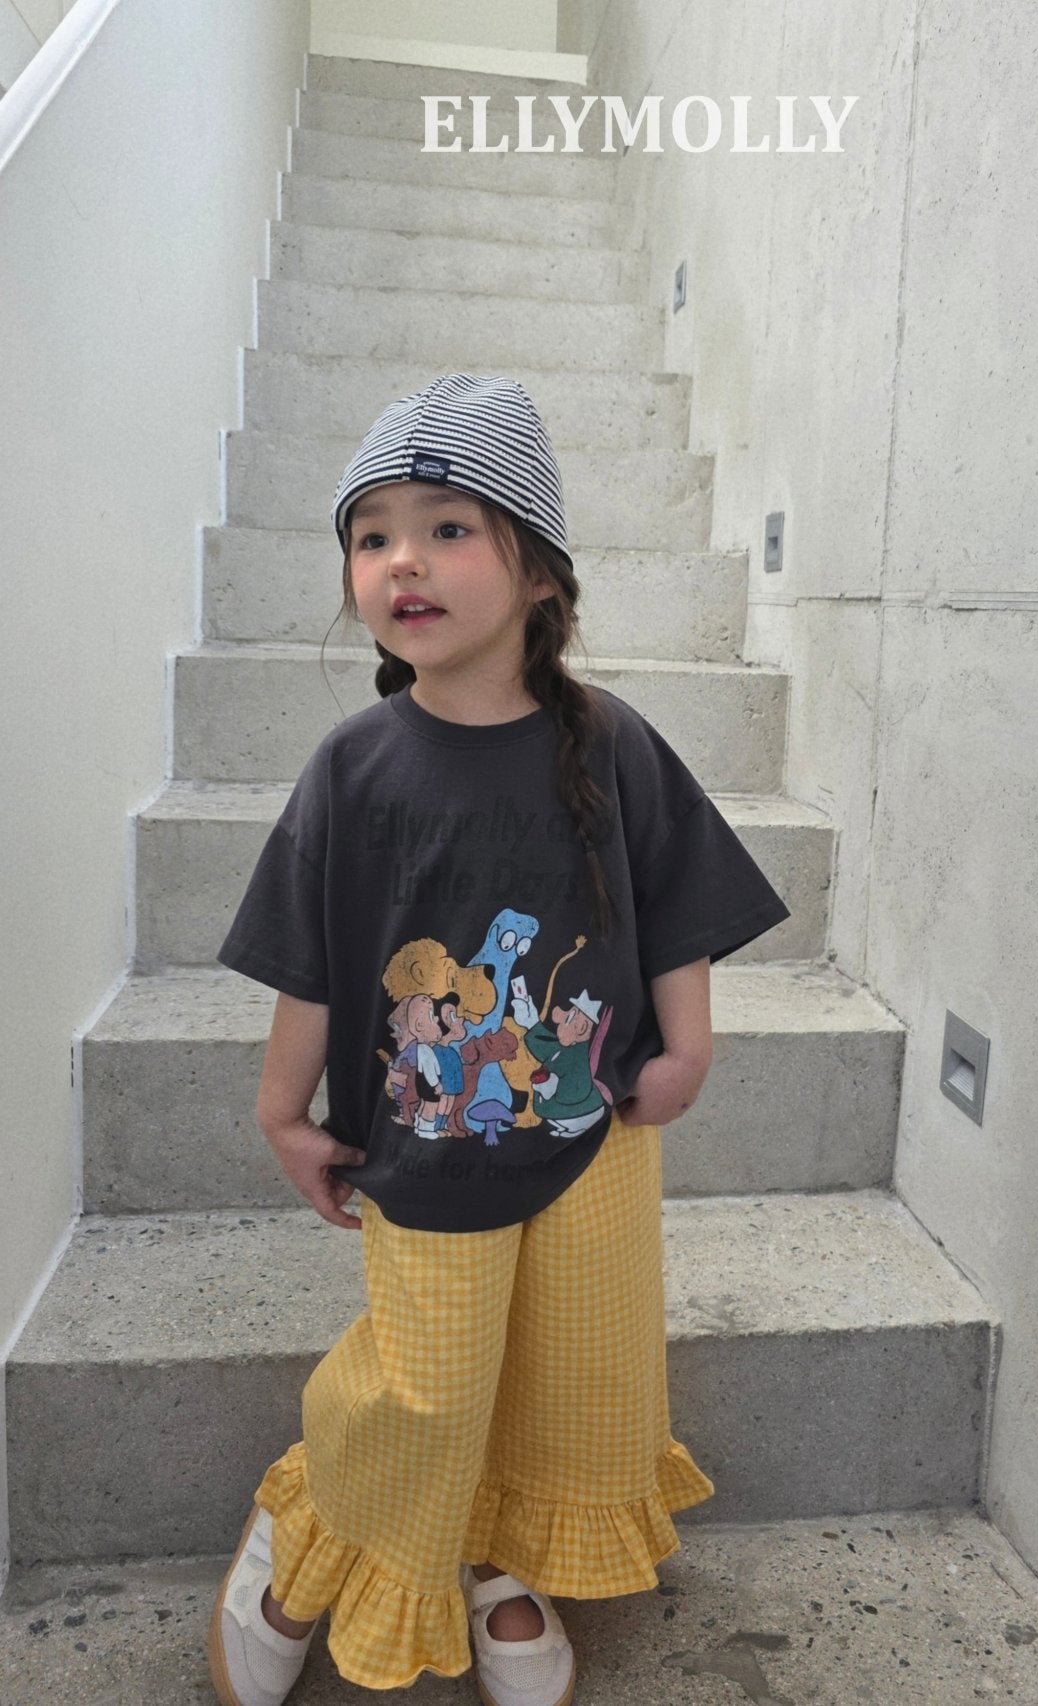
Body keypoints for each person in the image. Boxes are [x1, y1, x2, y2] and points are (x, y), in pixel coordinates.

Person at [206, 373, 790, 1706]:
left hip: (598, 1136)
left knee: (572, 1377)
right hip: (424, 1149)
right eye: (372, 536)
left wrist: (687, 1045)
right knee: (427, 1383)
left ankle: (500, 1552)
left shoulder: (614, 744)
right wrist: (283, 1111)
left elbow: (679, 901)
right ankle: (316, 1524)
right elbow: (310, 956)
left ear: (539, 575)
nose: (402, 560)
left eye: (449, 527)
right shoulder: (354, 768)